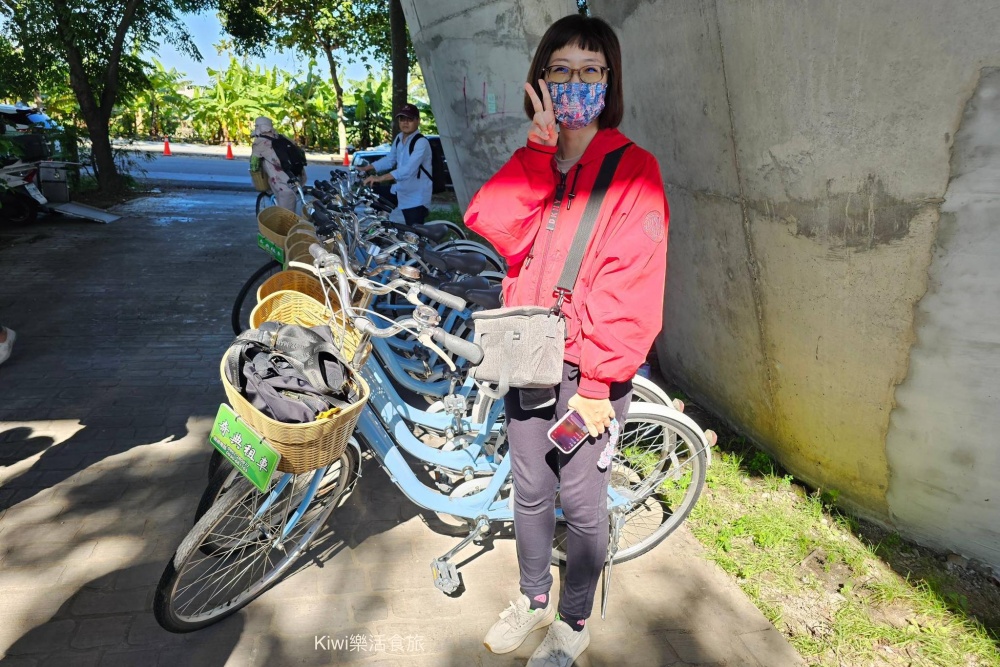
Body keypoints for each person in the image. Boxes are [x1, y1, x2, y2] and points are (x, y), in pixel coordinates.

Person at [464, 14, 669, 667]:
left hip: (588, 374)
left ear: (610, 83)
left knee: (582, 505)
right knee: (528, 491)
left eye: (591, 70)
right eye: (562, 70)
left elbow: (632, 284)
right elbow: (492, 224)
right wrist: (535, 151)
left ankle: (574, 619)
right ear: (541, 81)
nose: (576, 82)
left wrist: (606, 385)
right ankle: (531, 598)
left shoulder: (634, 169)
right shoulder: (539, 161)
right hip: (527, 353)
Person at [359, 103, 433, 225]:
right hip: (400, 190)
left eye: (410, 119)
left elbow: (408, 170)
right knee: (372, 195)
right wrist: (366, 168)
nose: (405, 123)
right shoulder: (399, 138)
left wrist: (380, 178)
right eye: (402, 119)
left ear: (418, 121)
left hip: (416, 197)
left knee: (414, 237)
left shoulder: (421, 142)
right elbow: (390, 160)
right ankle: (381, 232)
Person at [250, 117, 304, 212]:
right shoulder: (282, 138)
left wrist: (256, 170)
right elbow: (300, 152)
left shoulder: (259, 143)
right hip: (296, 176)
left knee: (285, 215)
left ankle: (285, 224)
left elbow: (253, 165)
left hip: (281, 183)